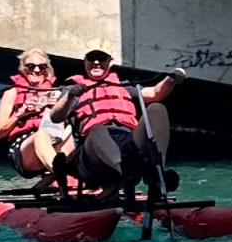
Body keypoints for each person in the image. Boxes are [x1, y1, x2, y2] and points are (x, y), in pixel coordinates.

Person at [47, 47, 183, 192]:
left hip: (127, 141)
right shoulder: (74, 90)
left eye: (102, 58)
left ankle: (158, 173)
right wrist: (69, 96)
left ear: (110, 62)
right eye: (92, 58)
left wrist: (171, 79)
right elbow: (56, 117)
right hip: (91, 153)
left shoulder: (122, 86)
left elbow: (155, 93)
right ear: (85, 61)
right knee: (98, 129)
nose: (97, 62)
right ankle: (121, 172)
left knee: (157, 108)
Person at [0, 48, 70, 178]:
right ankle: (62, 175)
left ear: (48, 69)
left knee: (82, 129)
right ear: (23, 69)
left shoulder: (57, 92)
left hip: (55, 140)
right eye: (31, 66)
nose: (37, 70)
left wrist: (58, 107)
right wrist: (21, 113)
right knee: (42, 135)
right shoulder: (12, 92)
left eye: (42, 67)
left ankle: (98, 179)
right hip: (26, 150)